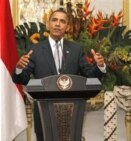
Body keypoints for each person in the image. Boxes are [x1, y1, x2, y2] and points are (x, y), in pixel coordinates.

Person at [12, 9, 106, 141]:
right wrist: (19, 68)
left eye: (62, 21)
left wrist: (100, 66)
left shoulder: (76, 49)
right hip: (44, 113)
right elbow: (23, 79)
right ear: (48, 24)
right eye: (54, 20)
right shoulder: (36, 49)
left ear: (67, 27)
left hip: (71, 113)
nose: (58, 24)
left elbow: (90, 75)